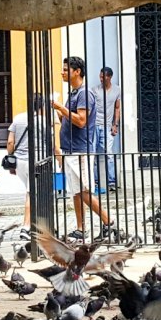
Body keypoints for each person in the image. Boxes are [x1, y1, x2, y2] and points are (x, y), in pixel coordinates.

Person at [50, 56, 113, 237]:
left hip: (80, 150)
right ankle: (80, 228)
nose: (62, 72)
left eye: (65, 69)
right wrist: (61, 114)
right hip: (70, 149)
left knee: (84, 191)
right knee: (76, 192)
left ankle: (110, 222)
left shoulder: (84, 94)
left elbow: (81, 121)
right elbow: (71, 118)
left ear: (77, 71)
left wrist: (61, 108)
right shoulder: (74, 93)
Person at [4, 107, 33, 226]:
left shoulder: (18, 118)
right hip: (34, 160)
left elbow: (10, 142)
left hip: (19, 162)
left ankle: (36, 223)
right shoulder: (42, 120)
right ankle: (26, 227)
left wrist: (10, 156)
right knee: (31, 193)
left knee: (30, 189)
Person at [97, 66, 122, 192]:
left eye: (103, 77)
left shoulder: (117, 90)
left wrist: (115, 125)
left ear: (109, 77)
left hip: (107, 126)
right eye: (100, 76)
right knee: (94, 154)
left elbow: (117, 108)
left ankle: (111, 182)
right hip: (95, 125)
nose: (101, 79)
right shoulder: (95, 90)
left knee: (109, 154)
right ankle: (95, 182)